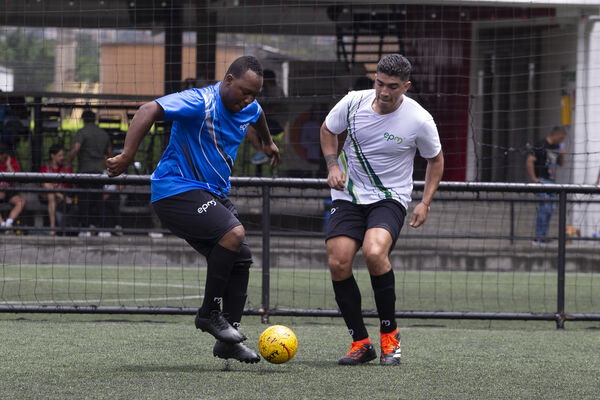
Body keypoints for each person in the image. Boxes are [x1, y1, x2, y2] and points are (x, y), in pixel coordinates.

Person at [106, 56, 280, 364]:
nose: (248, 99)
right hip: (175, 189)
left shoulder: (249, 106)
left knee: (241, 258)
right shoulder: (200, 101)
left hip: (211, 193)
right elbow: (148, 110)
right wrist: (126, 154)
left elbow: (258, 114)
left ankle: (229, 339)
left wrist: (267, 143)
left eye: (254, 93)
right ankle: (208, 314)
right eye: (244, 91)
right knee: (233, 233)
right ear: (228, 80)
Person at [320, 54, 444, 366]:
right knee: (338, 261)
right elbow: (327, 129)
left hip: (389, 198)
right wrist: (333, 164)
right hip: (347, 195)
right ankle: (360, 343)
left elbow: (436, 160)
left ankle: (390, 336)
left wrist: (425, 202)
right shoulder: (352, 103)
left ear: (406, 86)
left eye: (392, 86)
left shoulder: (419, 120)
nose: (384, 92)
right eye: (379, 83)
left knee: (375, 253)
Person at [66, 109, 112, 237]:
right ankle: (101, 228)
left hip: (85, 172)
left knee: (84, 200)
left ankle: (85, 228)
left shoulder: (82, 132)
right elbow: (109, 153)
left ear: (83, 120)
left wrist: (68, 162)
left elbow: (76, 148)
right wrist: (105, 165)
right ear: (95, 119)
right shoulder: (104, 134)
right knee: (99, 200)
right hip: (99, 173)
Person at [526, 126, 567, 246]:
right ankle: (538, 237)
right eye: (561, 138)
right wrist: (534, 178)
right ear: (555, 135)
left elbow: (561, 164)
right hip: (542, 180)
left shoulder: (557, 147)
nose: (561, 141)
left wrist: (562, 154)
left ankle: (543, 236)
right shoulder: (541, 144)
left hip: (552, 181)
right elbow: (530, 160)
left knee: (550, 208)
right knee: (544, 207)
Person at [251, 69, 284, 166]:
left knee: (249, 128)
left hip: (276, 122)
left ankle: (260, 152)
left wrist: (257, 114)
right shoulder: (263, 91)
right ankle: (260, 152)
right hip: (267, 120)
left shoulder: (276, 90)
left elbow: (274, 109)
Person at [39, 144, 73, 235]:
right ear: (52, 156)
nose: (62, 158)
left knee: (51, 195)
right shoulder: (44, 168)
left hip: (60, 197)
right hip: (45, 197)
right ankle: (53, 228)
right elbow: (42, 184)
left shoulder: (66, 168)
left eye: (63, 155)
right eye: (60, 155)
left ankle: (52, 228)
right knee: (48, 188)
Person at [0, 143, 26, 232]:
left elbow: (16, 179)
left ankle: (8, 223)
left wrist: (9, 166)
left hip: (9, 191)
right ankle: (1, 224)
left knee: (21, 201)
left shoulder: (13, 161)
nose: (4, 157)